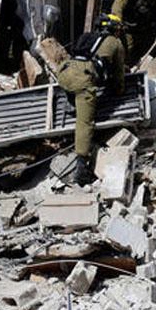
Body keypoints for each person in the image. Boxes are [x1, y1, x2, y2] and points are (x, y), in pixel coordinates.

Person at [57, 14, 126, 185]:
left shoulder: (89, 37)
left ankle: (71, 103)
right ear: (114, 30)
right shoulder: (115, 43)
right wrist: (119, 89)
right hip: (82, 81)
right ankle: (81, 168)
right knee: (85, 123)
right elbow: (118, 74)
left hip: (64, 72)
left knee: (75, 89)